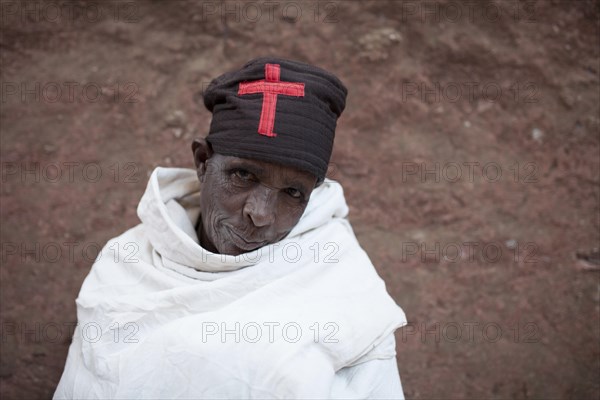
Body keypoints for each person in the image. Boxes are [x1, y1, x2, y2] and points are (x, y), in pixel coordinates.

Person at [54, 57, 407, 399]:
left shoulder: (341, 281)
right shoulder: (127, 266)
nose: (261, 214)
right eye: (243, 175)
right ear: (203, 163)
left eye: (292, 193)